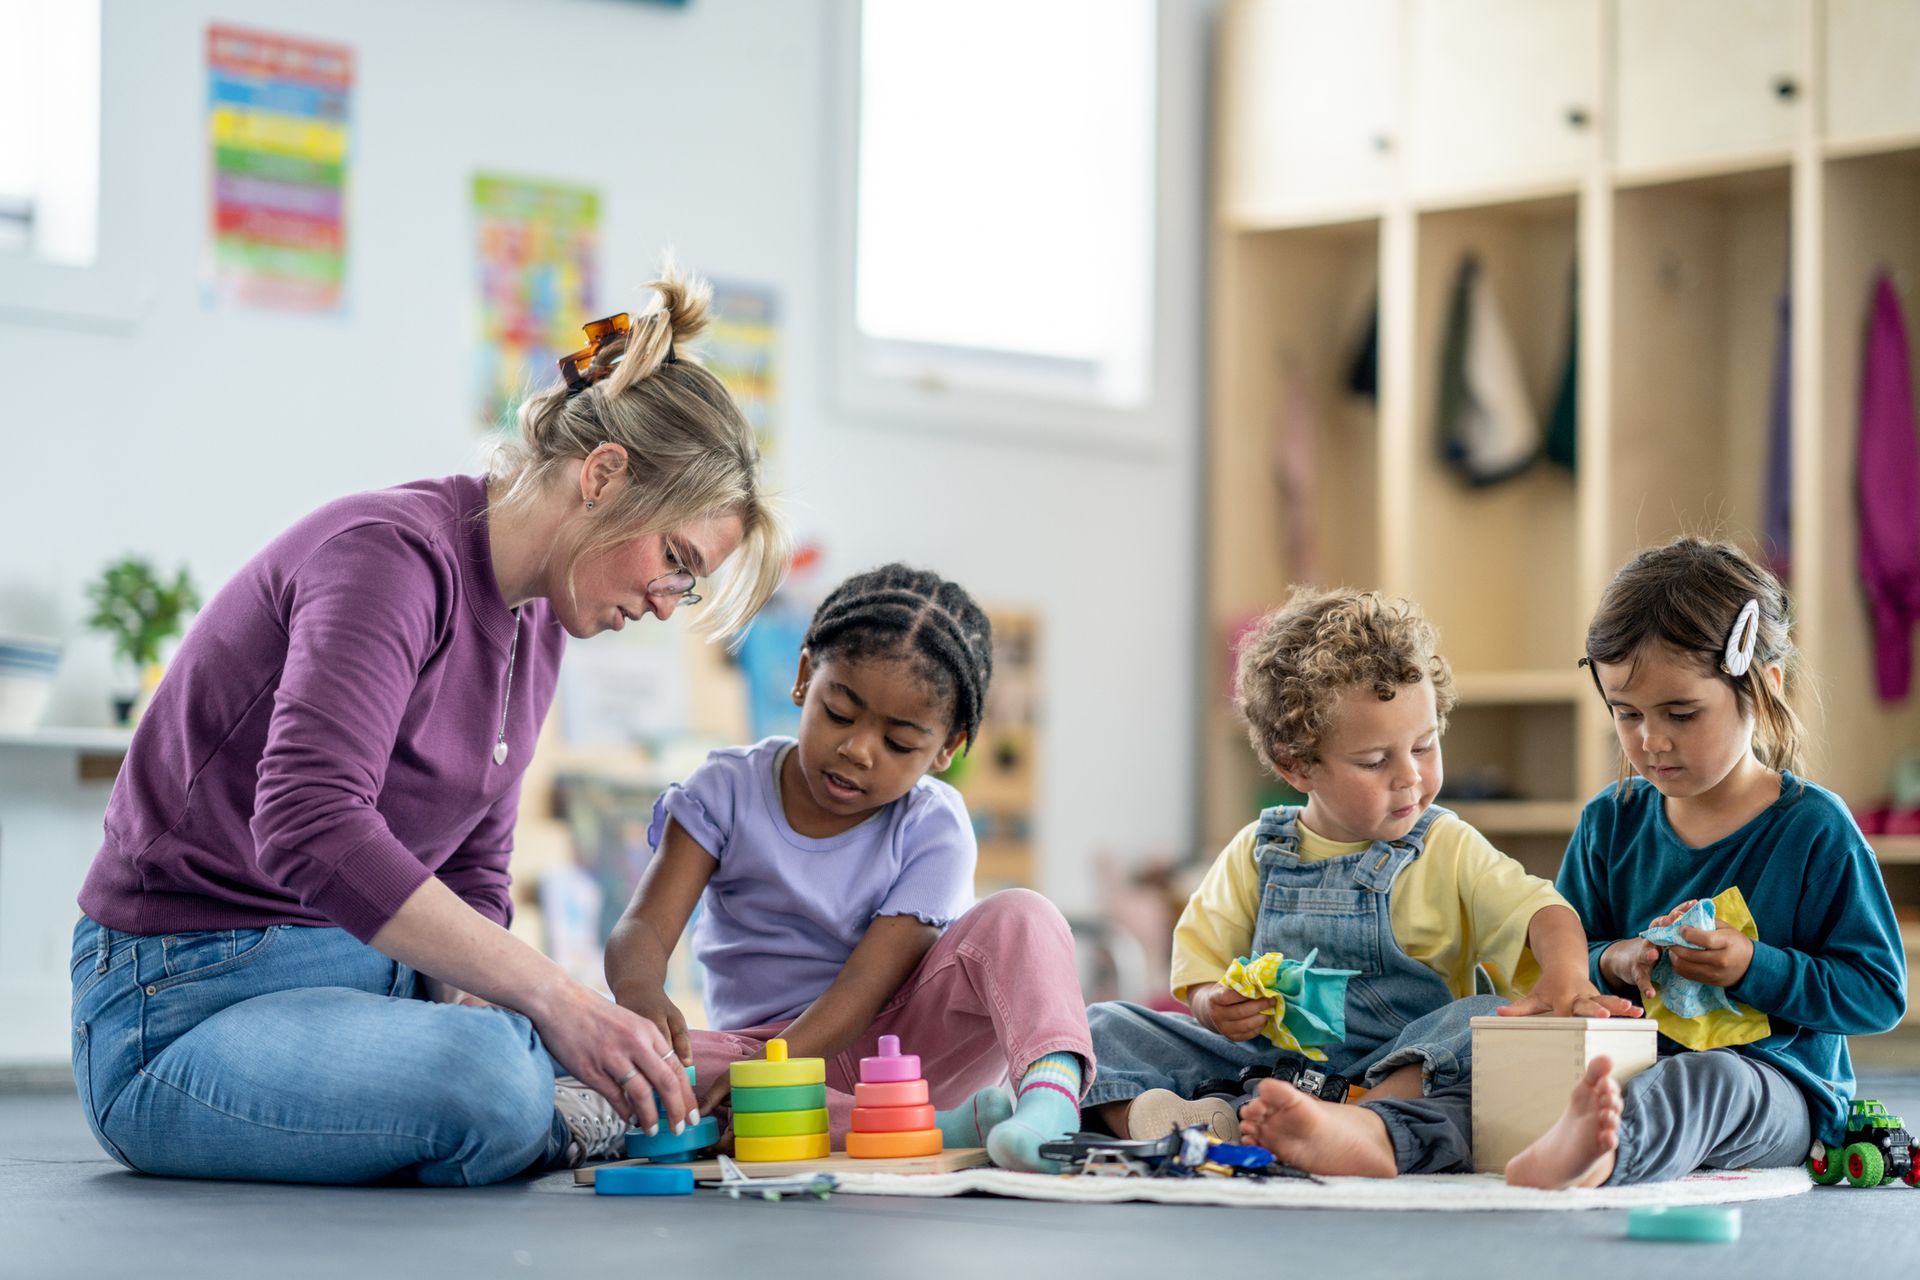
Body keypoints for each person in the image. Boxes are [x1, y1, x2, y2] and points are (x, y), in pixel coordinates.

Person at [69, 263, 789, 1185]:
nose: (665, 601)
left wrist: (524, 1011)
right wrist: (549, 1006)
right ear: (604, 476)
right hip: (180, 1002)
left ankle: (566, 1097)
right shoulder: (389, 559)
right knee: (495, 1079)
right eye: (675, 560)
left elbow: (473, 871)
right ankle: (557, 1115)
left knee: (661, 1053)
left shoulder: (539, 623)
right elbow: (306, 823)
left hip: (361, 977)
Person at [1084, 587, 1635, 1176]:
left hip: (1397, 1070)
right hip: (1269, 1068)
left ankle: (1352, 1126)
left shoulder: (1446, 845)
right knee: (1103, 1025)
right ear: (1296, 764)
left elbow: (1544, 912)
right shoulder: (1257, 850)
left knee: (1479, 1017)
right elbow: (1199, 970)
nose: (1410, 778)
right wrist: (1215, 1006)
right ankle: (1178, 1122)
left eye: (1425, 746)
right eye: (1375, 761)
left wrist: (1566, 978)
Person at [604, 563, 1094, 1172]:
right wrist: (639, 995)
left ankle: (1048, 1106)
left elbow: (865, 988)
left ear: (947, 749)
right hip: (756, 1054)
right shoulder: (724, 790)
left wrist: (772, 1069)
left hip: (904, 1049)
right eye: (840, 712)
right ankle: (941, 1131)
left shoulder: (933, 825)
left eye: (899, 743)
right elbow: (644, 928)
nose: (858, 749)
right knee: (629, 1060)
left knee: (1025, 914)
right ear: (806, 677)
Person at [1505, 537, 1908, 1188]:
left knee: (1706, 1079)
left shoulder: (1813, 829)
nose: (1651, 740)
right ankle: (1409, 1129)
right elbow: (1559, 962)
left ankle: (1602, 1155)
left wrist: (1754, 967)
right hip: (1627, 1067)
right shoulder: (1609, 822)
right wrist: (1614, 959)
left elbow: (1878, 995)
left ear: (1763, 687)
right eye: (1626, 714)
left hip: (1775, 1088)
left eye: (1681, 714)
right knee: (1473, 1023)